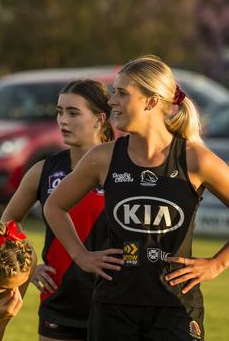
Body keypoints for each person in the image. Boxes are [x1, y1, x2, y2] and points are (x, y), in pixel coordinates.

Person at [44, 55, 229, 341]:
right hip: (113, 305)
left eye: (121, 93)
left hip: (176, 306)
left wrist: (217, 263)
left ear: (151, 102)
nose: (112, 102)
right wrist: (81, 255)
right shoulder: (102, 157)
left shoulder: (194, 159)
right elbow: (54, 205)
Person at [0, 79, 113, 341]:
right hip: (60, 300)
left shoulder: (122, 168)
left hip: (114, 299)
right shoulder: (43, 171)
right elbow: (5, 226)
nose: (63, 120)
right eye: (60, 112)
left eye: (73, 113)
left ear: (99, 119)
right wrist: (30, 268)